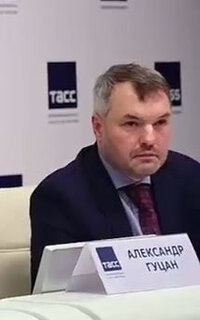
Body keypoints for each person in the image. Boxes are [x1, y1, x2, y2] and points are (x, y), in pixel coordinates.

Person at [30, 63, 200, 282]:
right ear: (98, 127)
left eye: (160, 123)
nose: (149, 139)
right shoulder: (61, 198)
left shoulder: (191, 178)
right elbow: (58, 296)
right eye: (132, 124)